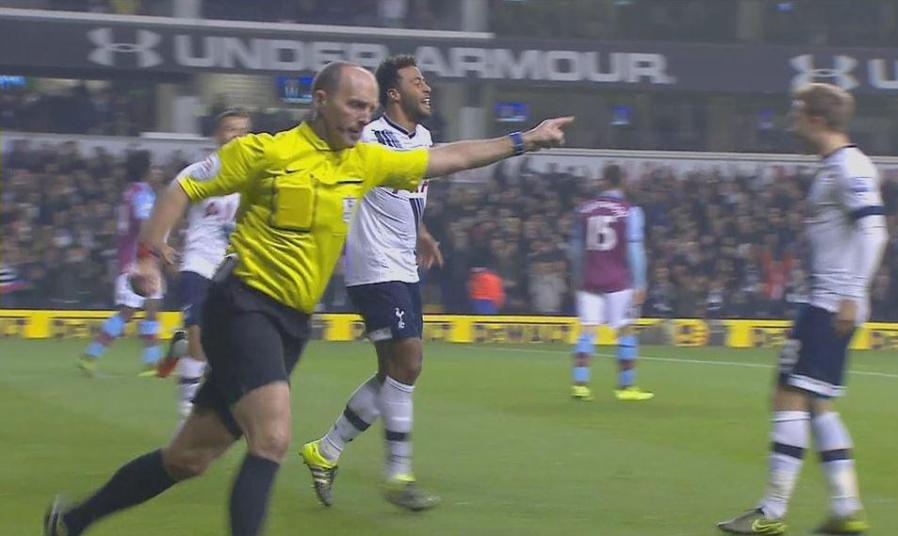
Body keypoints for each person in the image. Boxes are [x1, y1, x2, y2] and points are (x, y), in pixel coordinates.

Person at [43, 61, 573, 536]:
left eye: (368, 107)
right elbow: (184, 185)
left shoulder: (364, 161)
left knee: (188, 458)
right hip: (244, 305)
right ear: (320, 101)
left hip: (291, 323)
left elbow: (448, 158)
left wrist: (525, 140)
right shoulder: (267, 151)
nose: (363, 117)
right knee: (272, 440)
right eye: (353, 104)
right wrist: (147, 252)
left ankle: (73, 522)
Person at [717, 83, 887, 535]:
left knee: (787, 397)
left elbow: (874, 231)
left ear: (815, 119)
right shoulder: (834, 167)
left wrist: (852, 293)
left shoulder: (848, 167)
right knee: (817, 405)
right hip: (828, 301)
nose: (791, 122)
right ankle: (847, 510)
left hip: (830, 304)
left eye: (796, 113)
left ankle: (771, 514)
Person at [299, 55, 443, 511]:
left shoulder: (423, 138)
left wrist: (421, 233)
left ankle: (326, 451)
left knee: (393, 373)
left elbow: (403, 193)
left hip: (403, 265)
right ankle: (398, 475)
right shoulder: (367, 135)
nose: (427, 89)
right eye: (417, 82)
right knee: (411, 361)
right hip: (373, 266)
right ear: (394, 93)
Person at [156, 109, 252, 424]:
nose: (237, 135)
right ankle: (186, 413)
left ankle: (181, 349)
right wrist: (163, 243)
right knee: (199, 333)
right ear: (217, 135)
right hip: (198, 262)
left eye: (242, 130)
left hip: (237, 268)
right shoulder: (199, 172)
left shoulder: (258, 176)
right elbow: (172, 206)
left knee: (225, 343)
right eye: (230, 129)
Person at [568, 164, 651, 402]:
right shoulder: (630, 211)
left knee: (588, 330)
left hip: (590, 278)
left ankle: (580, 384)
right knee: (626, 329)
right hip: (618, 280)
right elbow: (635, 251)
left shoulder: (584, 210)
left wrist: (576, 278)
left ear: (603, 181)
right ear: (622, 182)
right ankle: (627, 387)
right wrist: (641, 283)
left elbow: (575, 250)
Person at [77, 150, 163, 377]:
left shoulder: (130, 193)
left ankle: (152, 363)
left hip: (135, 257)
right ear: (146, 170)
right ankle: (91, 355)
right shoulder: (143, 195)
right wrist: (147, 258)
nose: (156, 171)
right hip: (139, 260)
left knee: (151, 309)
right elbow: (145, 228)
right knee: (128, 312)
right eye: (153, 167)